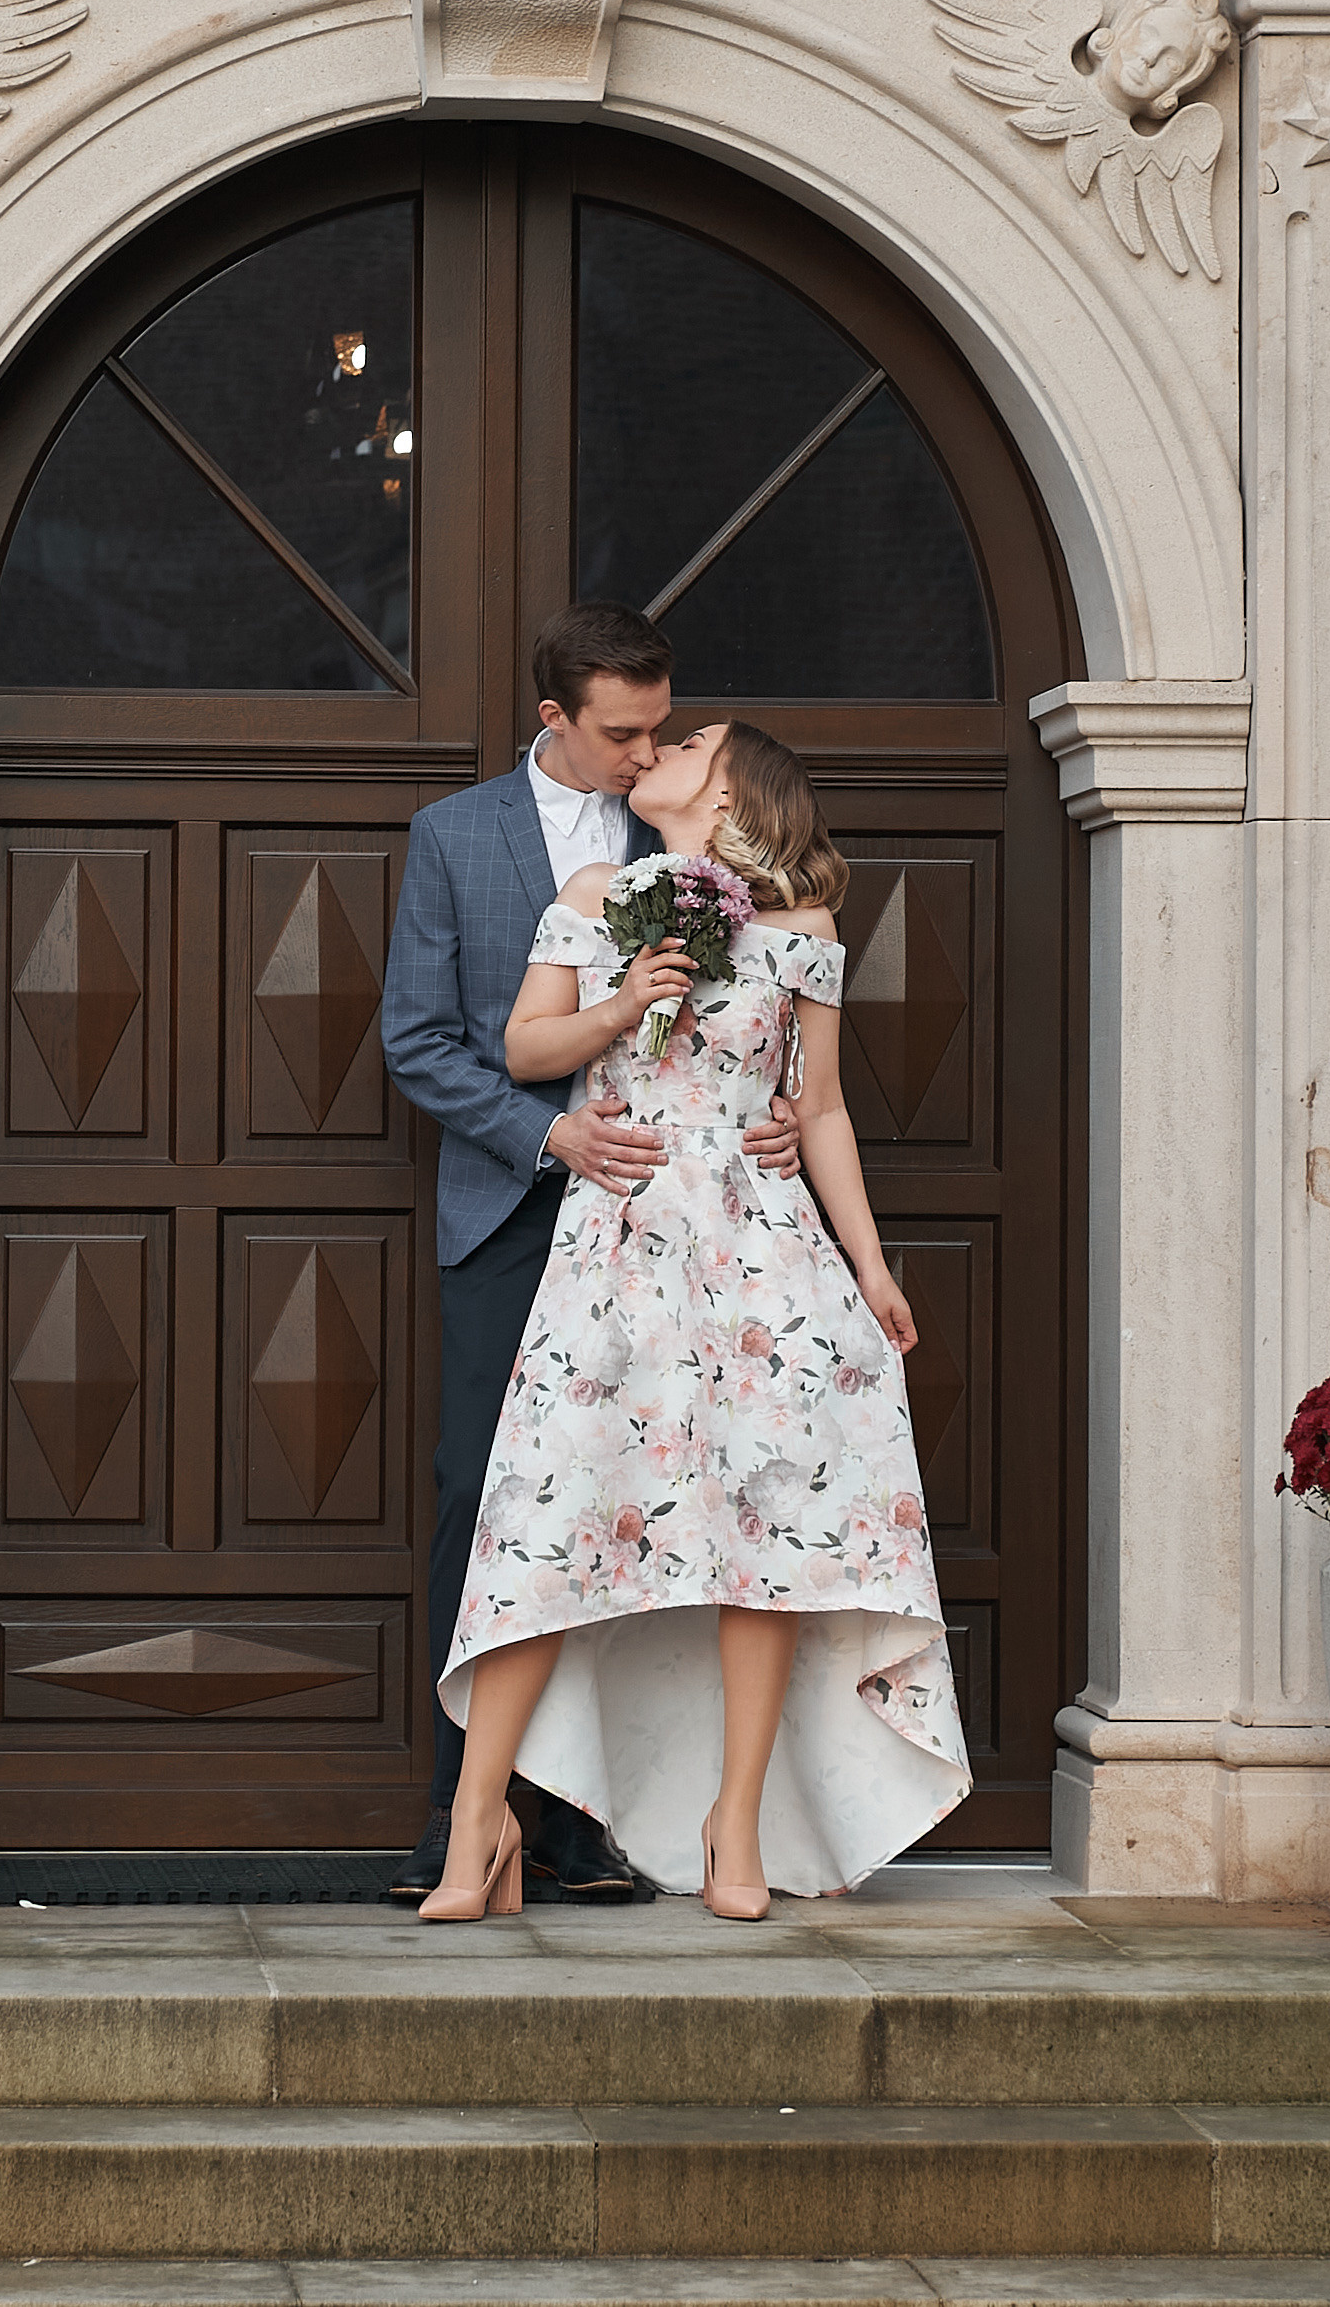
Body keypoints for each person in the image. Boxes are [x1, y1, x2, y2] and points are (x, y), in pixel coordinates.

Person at [420, 717, 969, 1922]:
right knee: (547, 1521)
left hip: (761, 1251)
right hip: (614, 1238)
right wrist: (624, 1003)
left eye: (695, 740)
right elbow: (522, 1049)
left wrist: (872, 1270)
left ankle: (737, 1817)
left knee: (763, 1524)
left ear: (731, 796)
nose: (664, 742)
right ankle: (478, 1820)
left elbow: (817, 1109)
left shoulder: (803, 934)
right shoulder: (595, 889)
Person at [378, 606, 804, 1903]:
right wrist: (549, 1132)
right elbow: (420, 1040)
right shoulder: (452, 837)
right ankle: (474, 1811)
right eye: (619, 729)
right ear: (552, 715)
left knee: (637, 1507)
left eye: (658, 726)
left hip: (672, 1236)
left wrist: (776, 1109)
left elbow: (770, 1012)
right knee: (489, 1500)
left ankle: (578, 1825)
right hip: (513, 1215)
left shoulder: (678, 834)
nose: (645, 748)